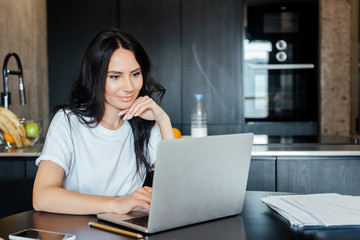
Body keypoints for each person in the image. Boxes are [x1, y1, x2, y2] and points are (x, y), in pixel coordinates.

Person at [33, 28, 175, 215]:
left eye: (135, 74)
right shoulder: (68, 121)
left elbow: (177, 188)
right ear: (95, 77)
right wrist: (116, 204)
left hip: (127, 229)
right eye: (115, 76)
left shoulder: (145, 122)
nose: (129, 87)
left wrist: (163, 120)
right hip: (76, 229)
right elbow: (42, 197)